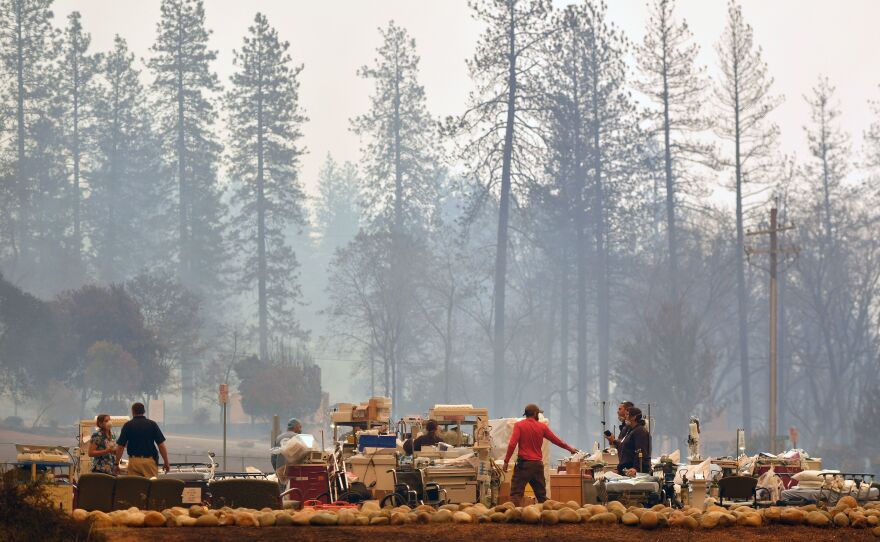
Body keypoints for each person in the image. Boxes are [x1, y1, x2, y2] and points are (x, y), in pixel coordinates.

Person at [503, 404, 579, 506]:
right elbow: (556, 440)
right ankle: (549, 517)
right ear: (535, 413)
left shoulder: (519, 425)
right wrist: (570, 448)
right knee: (541, 496)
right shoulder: (542, 427)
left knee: (516, 494)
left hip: (523, 466)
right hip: (537, 466)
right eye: (538, 413)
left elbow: (512, 444)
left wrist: (506, 462)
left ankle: (512, 518)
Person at [114, 402, 170, 478]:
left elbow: (120, 447)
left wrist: (117, 463)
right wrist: (166, 462)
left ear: (133, 411)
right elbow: (161, 445)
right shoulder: (152, 424)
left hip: (134, 462)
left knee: (135, 487)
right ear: (144, 411)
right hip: (149, 461)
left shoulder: (128, 425)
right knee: (151, 487)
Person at [617, 406, 651, 476]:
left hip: (633, 471)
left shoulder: (640, 431)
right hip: (626, 469)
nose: (625, 417)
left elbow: (641, 451)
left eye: (627, 414)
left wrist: (636, 468)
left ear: (634, 417)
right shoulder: (630, 430)